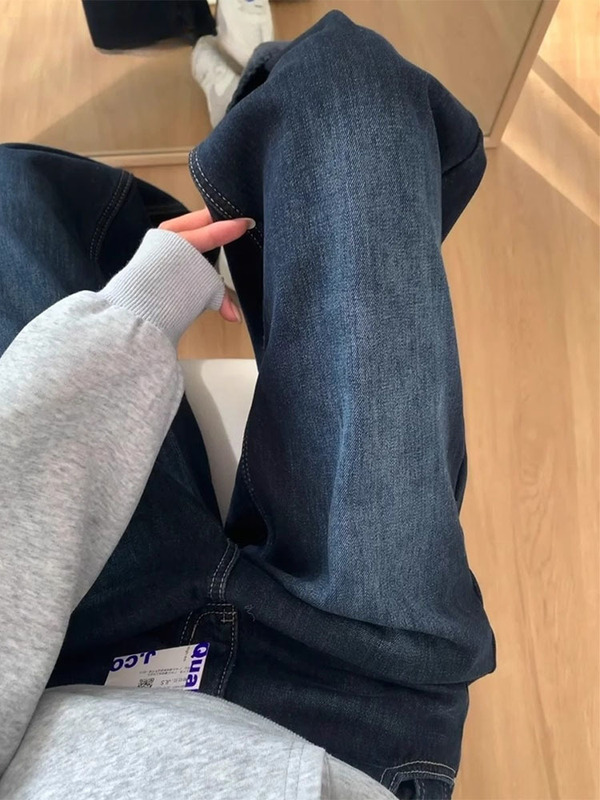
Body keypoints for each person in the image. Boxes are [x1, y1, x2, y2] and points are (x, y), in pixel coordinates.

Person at [0, 12, 495, 800]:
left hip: (71, 651)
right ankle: (260, 221)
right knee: (350, 84)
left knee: (11, 199)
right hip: (352, 702)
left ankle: (245, 225)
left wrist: (140, 306)